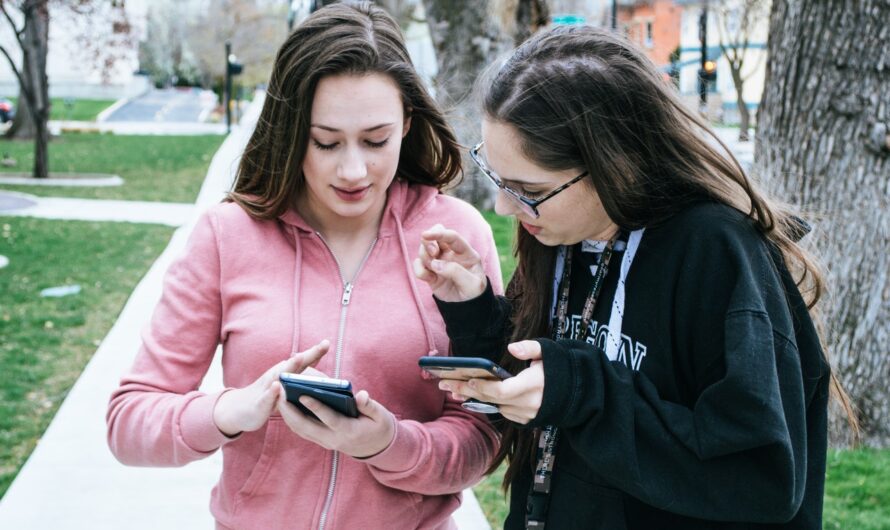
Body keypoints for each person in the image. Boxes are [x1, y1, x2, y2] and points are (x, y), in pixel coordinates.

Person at [415, 25, 855, 530]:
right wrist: (474, 308)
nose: (504, 207)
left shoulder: (716, 252)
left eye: (527, 188)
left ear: (613, 165)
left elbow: (761, 476)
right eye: (496, 178)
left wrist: (584, 392)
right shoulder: (560, 233)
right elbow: (541, 393)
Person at [106, 3, 503, 529]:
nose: (353, 169)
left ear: (408, 122)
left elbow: (487, 433)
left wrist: (389, 444)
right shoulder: (227, 235)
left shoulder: (457, 236)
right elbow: (129, 422)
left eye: (376, 139)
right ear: (292, 131)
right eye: (326, 142)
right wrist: (231, 411)